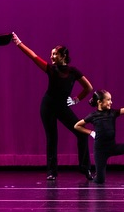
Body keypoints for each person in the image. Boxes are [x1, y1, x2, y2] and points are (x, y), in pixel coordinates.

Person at [7, 33, 94, 180]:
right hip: (48, 106)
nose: (51, 57)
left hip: (63, 107)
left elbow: (88, 87)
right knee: (52, 138)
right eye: (51, 54)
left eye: (54, 54)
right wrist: (18, 42)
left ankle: (85, 168)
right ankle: (52, 172)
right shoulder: (51, 69)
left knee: (81, 133)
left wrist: (76, 100)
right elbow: (33, 56)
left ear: (63, 56)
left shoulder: (73, 72)